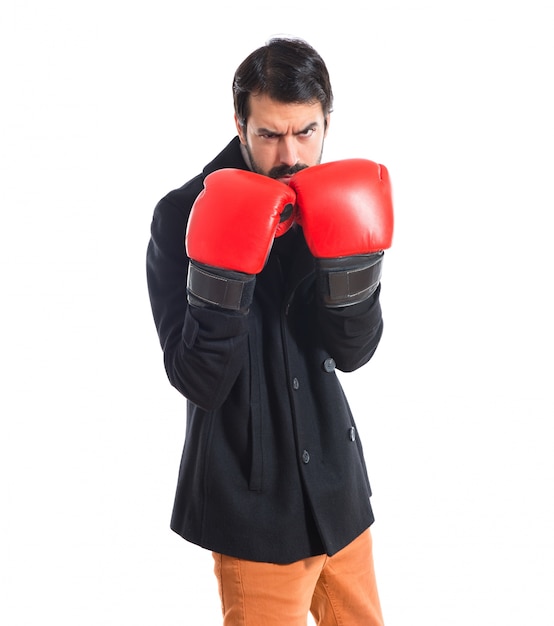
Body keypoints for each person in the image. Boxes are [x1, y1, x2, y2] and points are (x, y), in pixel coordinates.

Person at [146, 36, 393, 626]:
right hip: (254, 506)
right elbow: (197, 380)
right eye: (270, 134)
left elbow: (354, 351)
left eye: (306, 132)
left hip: (337, 492)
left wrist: (353, 268)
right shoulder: (183, 214)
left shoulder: (334, 201)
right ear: (239, 123)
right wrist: (224, 274)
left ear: (327, 120)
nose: (291, 155)